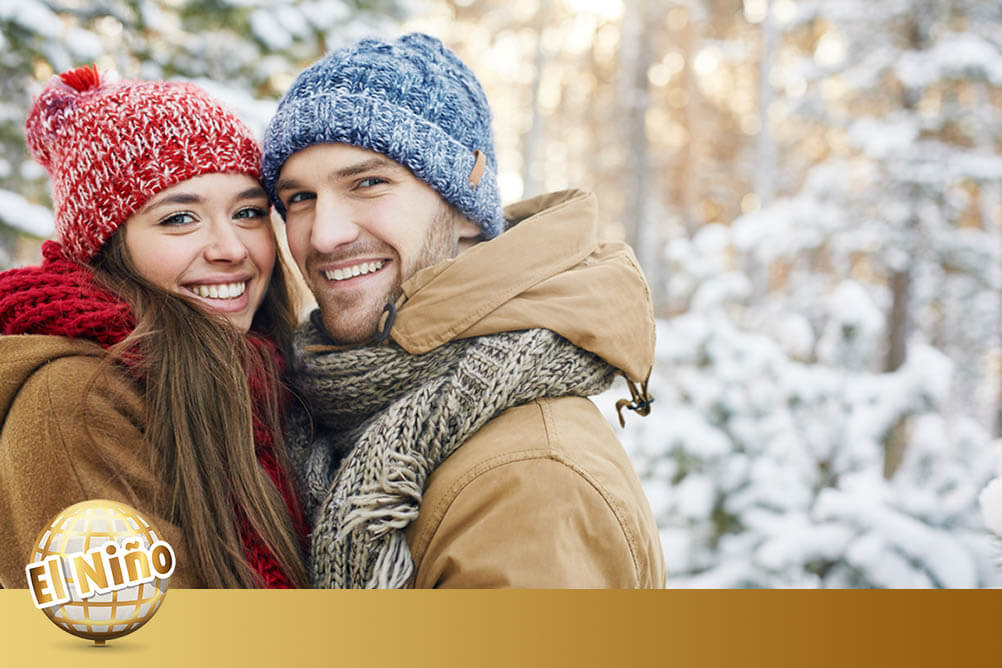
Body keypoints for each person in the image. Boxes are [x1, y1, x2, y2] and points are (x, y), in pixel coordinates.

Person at [262, 33, 666, 588]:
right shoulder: (321, 409)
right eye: (299, 198)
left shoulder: (530, 478)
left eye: (369, 183)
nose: (324, 235)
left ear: (467, 211)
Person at [0, 65, 308, 588]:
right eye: (178, 218)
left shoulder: (270, 377)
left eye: (248, 213)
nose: (231, 249)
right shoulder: (76, 401)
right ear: (107, 247)